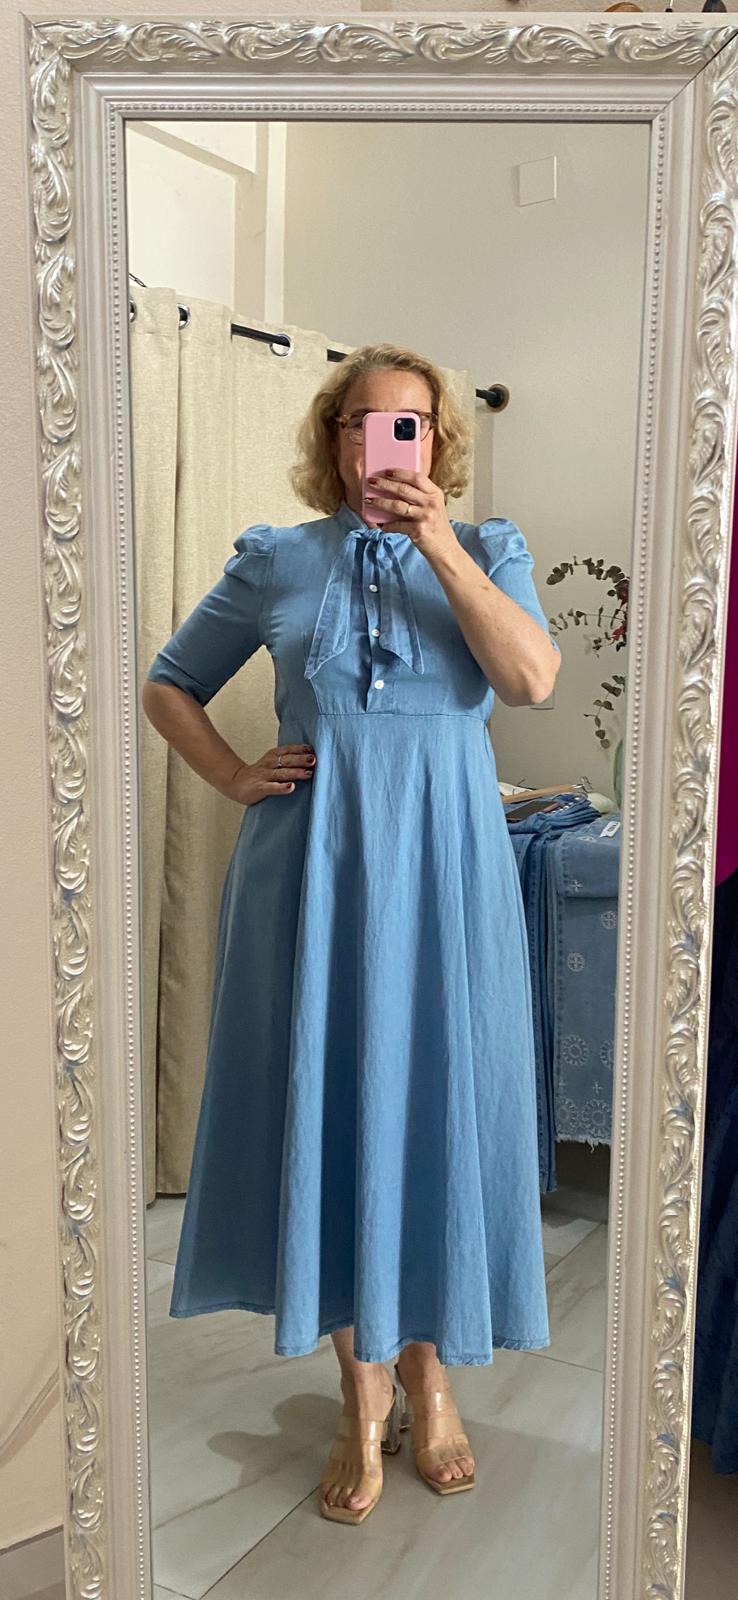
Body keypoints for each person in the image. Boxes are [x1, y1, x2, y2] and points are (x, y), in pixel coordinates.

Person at [143, 341, 562, 1525]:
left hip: (448, 881)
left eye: (409, 425)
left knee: (432, 1108)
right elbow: (169, 682)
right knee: (331, 1116)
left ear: (438, 442)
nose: (386, 444)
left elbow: (530, 678)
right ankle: (359, 1386)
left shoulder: (489, 549)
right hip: (312, 881)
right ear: (334, 440)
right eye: (364, 423)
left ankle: (431, 1379)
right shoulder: (278, 560)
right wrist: (234, 773)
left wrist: (437, 544)